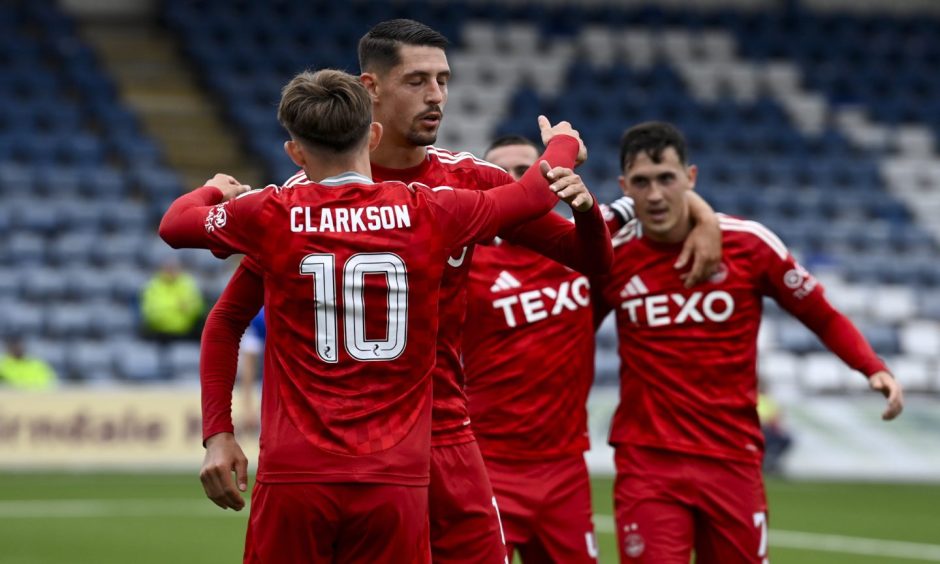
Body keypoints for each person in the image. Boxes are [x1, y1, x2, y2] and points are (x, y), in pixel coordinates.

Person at [201, 19, 722, 562]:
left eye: (444, 80)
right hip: (343, 450)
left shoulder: (469, 182)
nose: (437, 97)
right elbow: (228, 317)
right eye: (418, 81)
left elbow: (588, 261)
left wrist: (587, 213)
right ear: (370, 88)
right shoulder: (303, 198)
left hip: (446, 435)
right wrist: (217, 432)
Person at [159, 68, 588, 562]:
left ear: (295, 153)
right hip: (394, 472)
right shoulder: (425, 210)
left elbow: (174, 225)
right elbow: (533, 195)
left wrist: (213, 189)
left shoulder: (270, 212)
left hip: (296, 471)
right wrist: (561, 144)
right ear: (374, 134)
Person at [593, 121, 905, 563]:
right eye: (641, 183)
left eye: (667, 178)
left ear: (691, 178)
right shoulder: (612, 255)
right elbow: (567, 332)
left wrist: (872, 366)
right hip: (649, 462)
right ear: (625, 187)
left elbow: (821, 314)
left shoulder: (749, 244)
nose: (656, 194)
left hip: (732, 459)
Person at [139, 257, 205, 342]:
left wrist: (165, 307)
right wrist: (177, 306)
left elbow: (197, 308)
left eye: (174, 268)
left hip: (185, 333)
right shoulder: (152, 285)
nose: (171, 271)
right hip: (157, 334)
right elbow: (150, 312)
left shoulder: (188, 283)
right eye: (168, 268)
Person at [757, 381, 793, 476]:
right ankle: (766, 461)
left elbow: (775, 418)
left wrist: (777, 429)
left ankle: (771, 461)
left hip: (767, 429)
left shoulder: (770, 401)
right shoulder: (753, 398)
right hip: (756, 429)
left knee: (786, 440)